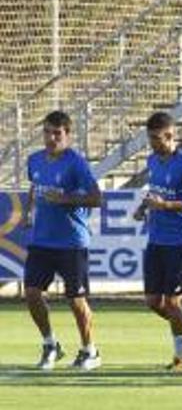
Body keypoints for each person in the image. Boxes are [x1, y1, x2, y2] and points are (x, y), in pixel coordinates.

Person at [23, 111, 103, 370]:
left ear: (67, 136)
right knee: (32, 293)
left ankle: (90, 350)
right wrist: (29, 210)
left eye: (57, 133)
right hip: (41, 240)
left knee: (76, 300)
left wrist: (66, 199)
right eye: (47, 132)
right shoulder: (34, 160)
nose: (51, 138)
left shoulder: (76, 163)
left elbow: (96, 198)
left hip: (72, 242)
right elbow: (35, 186)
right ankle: (50, 345)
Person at [133, 112, 182, 370]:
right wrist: (145, 207)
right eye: (150, 138)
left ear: (170, 135)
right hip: (157, 239)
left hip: (181, 241)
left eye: (156, 138)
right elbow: (156, 193)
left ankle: (180, 358)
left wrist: (165, 205)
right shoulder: (153, 160)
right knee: (154, 302)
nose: (152, 143)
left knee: (173, 303)